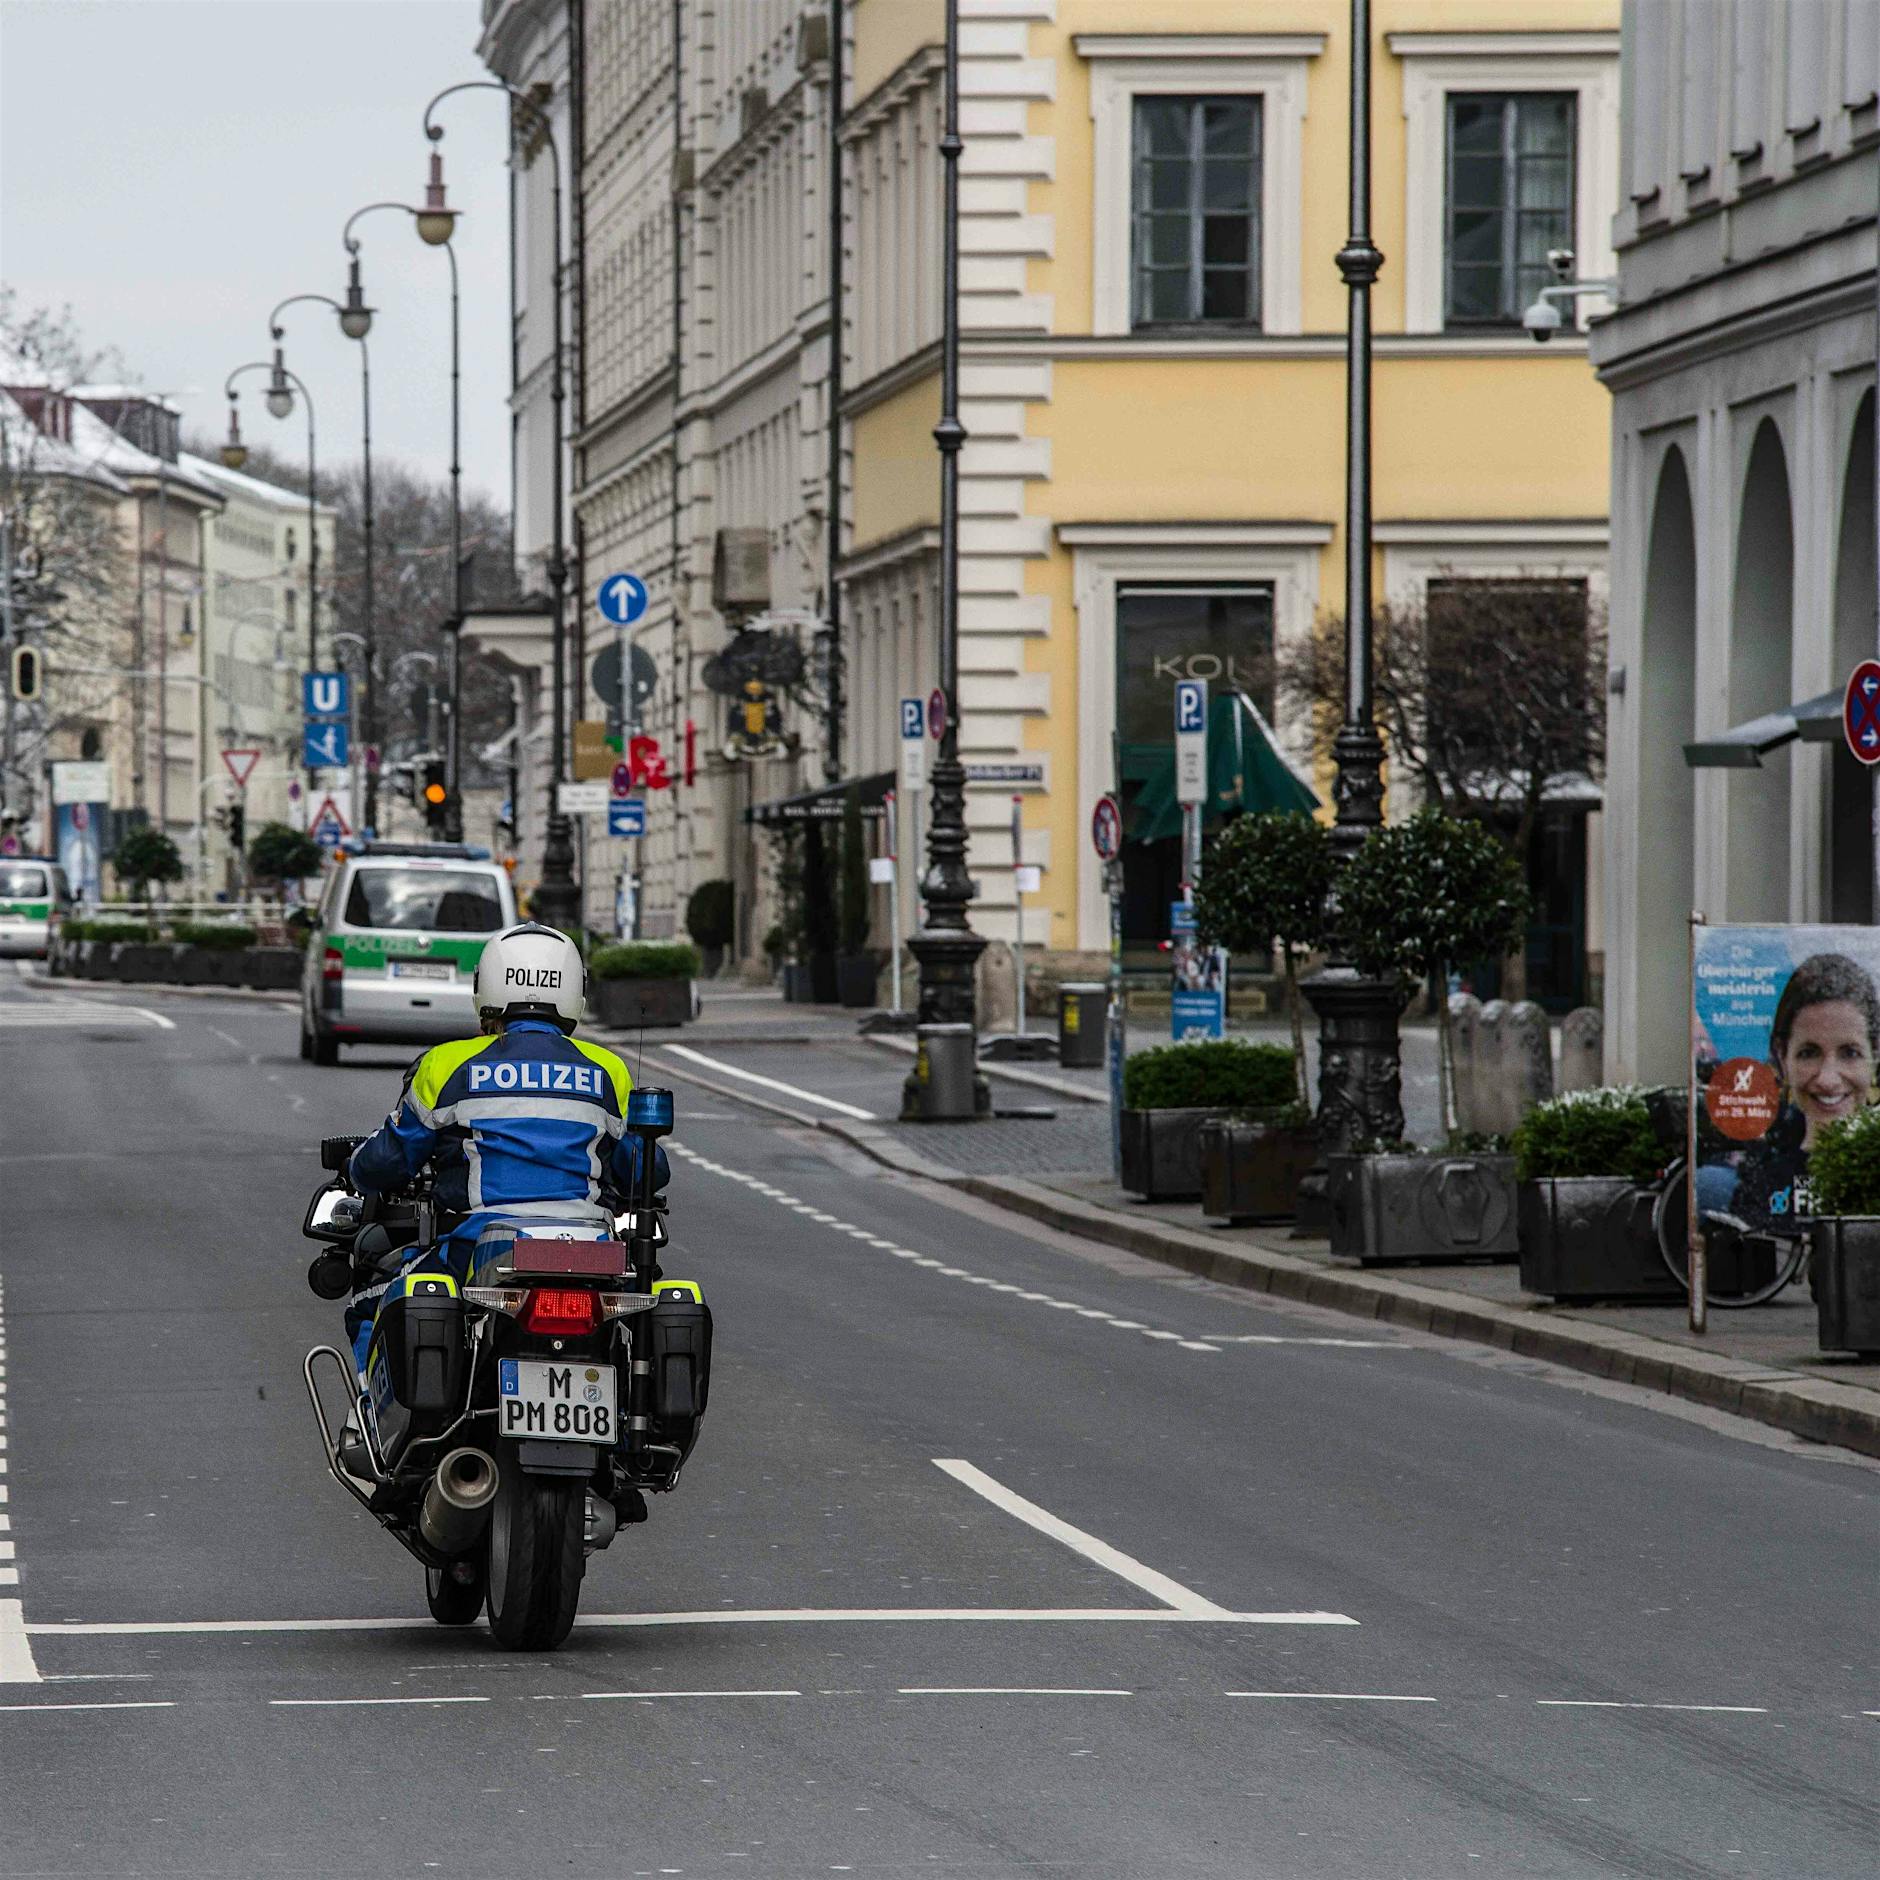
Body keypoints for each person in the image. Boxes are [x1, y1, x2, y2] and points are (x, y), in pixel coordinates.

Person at [343, 922, 669, 1373]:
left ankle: (368, 1425)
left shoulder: (447, 1063)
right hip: (592, 1251)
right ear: (575, 989)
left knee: (373, 1299)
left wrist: (354, 1167)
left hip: (477, 1244)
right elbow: (645, 1169)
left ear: (487, 985)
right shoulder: (609, 1069)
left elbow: (390, 1160)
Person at [1725, 951, 1880, 1229]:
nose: (1828, 1079)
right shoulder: (1761, 1181)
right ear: (1781, 1056)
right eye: (1809, 1053)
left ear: (1875, 1057)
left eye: (1850, 1053)